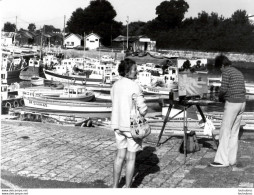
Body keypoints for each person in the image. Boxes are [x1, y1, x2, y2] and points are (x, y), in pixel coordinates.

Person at [111, 58, 147, 188]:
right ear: (127, 71)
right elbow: (143, 108)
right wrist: (142, 111)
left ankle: (115, 186)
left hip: (117, 124)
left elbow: (114, 101)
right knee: (131, 158)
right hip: (131, 127)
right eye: (134, 69)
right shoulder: (135, 86)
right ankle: (127, 188)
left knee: (120, 156)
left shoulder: (115, 85)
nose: (136, 72)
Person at [210, 54, 246, 167]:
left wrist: (219, 97)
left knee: (224, 131)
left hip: (233, 103)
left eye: (219, 68)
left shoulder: (226, 71)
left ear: (222, 65)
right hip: (242, 103)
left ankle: (222, 160)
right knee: (234, 133)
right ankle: (231, 159)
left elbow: (224, 89)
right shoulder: (238, 72)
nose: (219, 70)